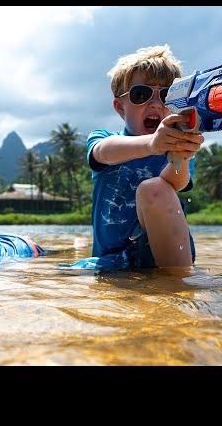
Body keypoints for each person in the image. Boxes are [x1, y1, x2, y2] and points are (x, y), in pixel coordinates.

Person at [84, 44, 204, 271]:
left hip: (164, 256)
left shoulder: (179, 143)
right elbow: (103, 151)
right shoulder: (105, 138)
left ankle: (177, 288)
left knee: (155, 188)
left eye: (167, 95)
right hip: (111, 262)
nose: (156, 103)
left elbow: (177, 183)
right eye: (142, 94)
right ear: (120, 107)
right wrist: (152, 144)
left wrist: (181, 154)